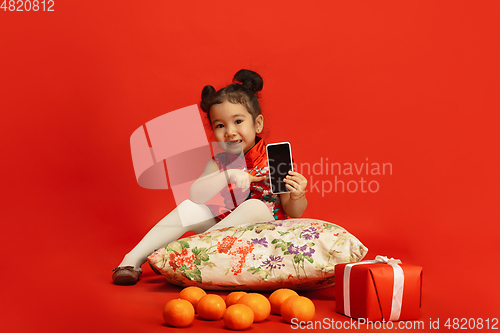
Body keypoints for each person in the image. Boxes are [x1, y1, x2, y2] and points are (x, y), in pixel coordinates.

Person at [112, 69, 308, 285]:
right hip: (222, 237)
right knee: (189, 208)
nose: (230, 132)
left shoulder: (275, 160)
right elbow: (195, 195)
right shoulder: (219, 163)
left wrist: (298, 195)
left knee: (255, 207)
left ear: (257, 123)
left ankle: (183, 251)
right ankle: (130, 261)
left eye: (238, 121)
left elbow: (293, 211)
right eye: (220, 125)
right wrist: (228, 174)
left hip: (262, 239)